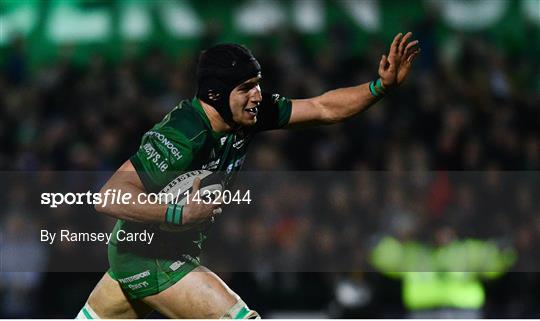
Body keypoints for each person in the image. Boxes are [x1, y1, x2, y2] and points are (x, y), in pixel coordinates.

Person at [76, 32, 420, 319]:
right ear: (215, 94)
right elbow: (108, 196)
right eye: (246, 88)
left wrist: (380, 87)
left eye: (257, 84)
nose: (257, 96)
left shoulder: (247, 115)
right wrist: (177, 212)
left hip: (152, 253)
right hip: (152, 257)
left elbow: (322, 108)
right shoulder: (183, 135)